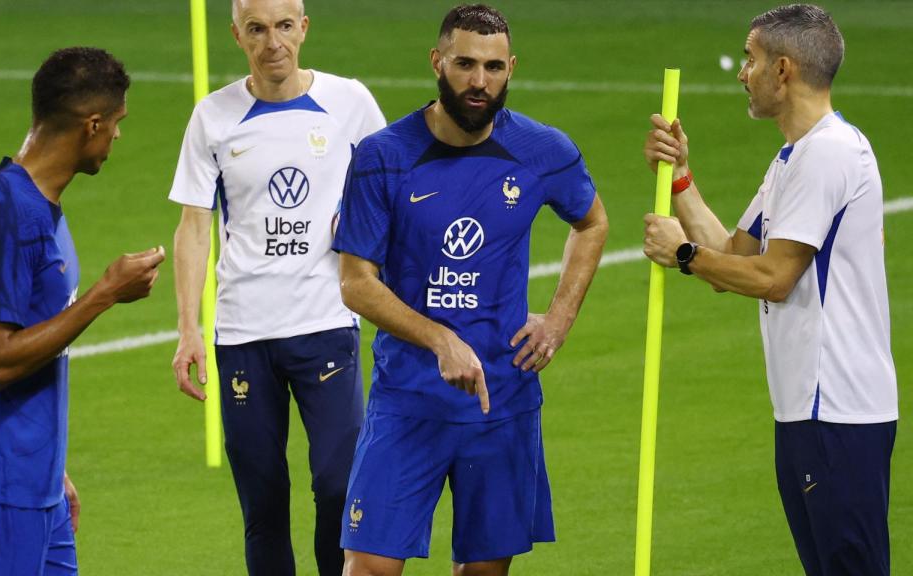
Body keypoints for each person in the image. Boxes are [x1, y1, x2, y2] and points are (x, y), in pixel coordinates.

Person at [332, 5, 608, 575]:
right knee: (368, 568)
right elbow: (357, 284)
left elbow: (592, 222)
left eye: (492, 67)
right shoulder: (383, 157)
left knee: (483, 572)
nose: (478, 81)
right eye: (464, 64)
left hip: (502, 405)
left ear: (511, 69)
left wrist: (557, 320)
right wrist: (440, 341)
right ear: (437, 62)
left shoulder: (542, 151)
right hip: (408, 402)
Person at [642, 4, 897, 575]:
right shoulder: (793, 158)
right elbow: (736, 257)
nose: (742, 72)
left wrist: (683, 255)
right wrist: (681, 177)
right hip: (808, 412)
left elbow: (774, 278)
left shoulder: (829, 154)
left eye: (751, 60)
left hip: (837, 410)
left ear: (783, 70)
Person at [0, 47, 164, 575]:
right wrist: (103, 295)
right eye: (116, 123)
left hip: (33, 489)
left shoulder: (38, 205)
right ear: (91, 124)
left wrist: (53, 469)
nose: (118, 137)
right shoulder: (5, 213)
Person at [168, 0, 385, 573]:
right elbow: (193, 230)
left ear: (304, 28)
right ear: (237, 35)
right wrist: (188, 329)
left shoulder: (351, 103)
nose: (273, 43)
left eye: (284, 27)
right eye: (257, 29)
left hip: (326, 325)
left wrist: (361, 225)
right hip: (244, 334)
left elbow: (391, 189)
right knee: (263, 505)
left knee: (339, 486)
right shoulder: (212, 117)